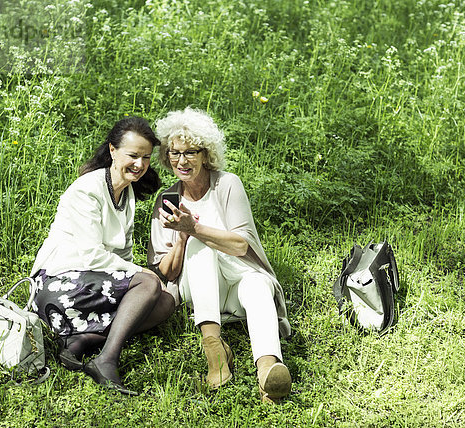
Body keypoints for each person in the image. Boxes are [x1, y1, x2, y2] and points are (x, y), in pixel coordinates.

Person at [147, 107, 292, 403]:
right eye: (174, 153)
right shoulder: (166, 199)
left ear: (205, 153)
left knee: (258, 284)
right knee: (199, 244)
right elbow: (167, 272)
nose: (181, 161)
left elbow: (241, 246)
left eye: (190, 152)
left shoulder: (227, 184)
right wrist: (184, 236)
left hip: (239, 281)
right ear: (166, 155)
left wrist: (194, 225)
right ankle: (214, 349)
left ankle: (268, 370)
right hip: (200, 291)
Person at [30, 116, 175, 395]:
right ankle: (107, 359)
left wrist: (143, 277)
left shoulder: (127, 193)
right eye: (133, 155)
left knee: (166, 301)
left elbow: (123, 253)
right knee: (148, 282)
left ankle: (83, 340)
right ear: (112, 151)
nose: (140, 164)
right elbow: (91, 255)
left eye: (146, 158)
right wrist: (143, 275)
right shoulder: (88, 189)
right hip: (56, 286)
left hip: (92, 285)